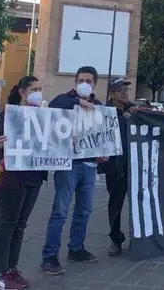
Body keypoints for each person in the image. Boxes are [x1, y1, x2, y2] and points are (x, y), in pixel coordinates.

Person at [41, 66, 106, 276]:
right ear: (76, 82)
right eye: (81, 80)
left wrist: (102, 154)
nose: (85, 83)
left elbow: (103, 134)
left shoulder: (99, 106)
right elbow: (52, 107)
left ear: (94, 83)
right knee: (60, 211)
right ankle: (49, 256)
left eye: (88, 80)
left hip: (89, 166)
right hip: (68, 165)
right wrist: (78, 102)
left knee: (84, 211)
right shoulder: (65, 100)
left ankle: (76, 248)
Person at [0, 75, 46, 290]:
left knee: (20, 225)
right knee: (7, 225)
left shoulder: (43, 117)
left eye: (40, 88)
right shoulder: (9, 114)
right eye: (34, 89)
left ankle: (11, 269)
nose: (38, 92)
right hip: (12, 179)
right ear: (23, 92)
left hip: (34, 178)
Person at [98, 78, 134, 256]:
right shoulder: (105, 112)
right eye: (120, 90)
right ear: (111, 93)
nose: (125, 92)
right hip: (116, 167)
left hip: (135, 166)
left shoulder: (134, 110)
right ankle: (116, 239)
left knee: (138, 204)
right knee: (116, 205)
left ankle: (140, 237)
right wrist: (123, 120)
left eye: (126, 89)